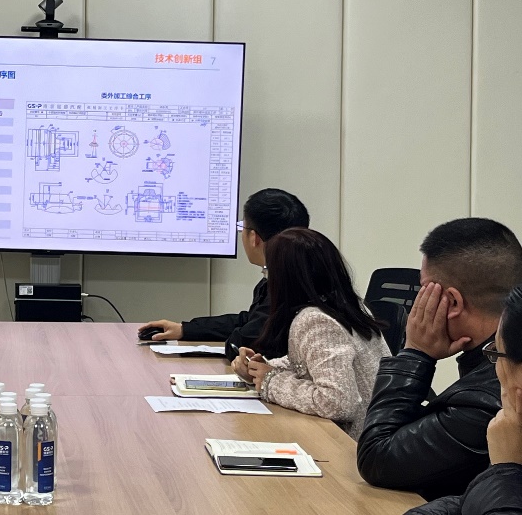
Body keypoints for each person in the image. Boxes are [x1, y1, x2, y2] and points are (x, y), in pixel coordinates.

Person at [357, 218, 522, 501]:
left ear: (452, 302)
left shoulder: (488, 400)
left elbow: (377, 458)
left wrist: (415, 353)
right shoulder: (494, 365)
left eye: (424, 289)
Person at [230, 228, 388, 439]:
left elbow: (338, 402)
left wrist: (271, 382)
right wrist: (261, 368)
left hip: (350, 445)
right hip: (376, 433)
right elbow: (311, 363)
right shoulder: (349, 305)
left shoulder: (315, 320)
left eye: (268, 271)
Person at [139, 188, 310, 359]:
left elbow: (244, 342)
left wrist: (234, 341)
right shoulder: (293, 274)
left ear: (254, 238)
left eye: (242, 228)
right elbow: (249, 321)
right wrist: (185, 329)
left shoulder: (287, 286)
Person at [406, 284, 522, 514]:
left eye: (496, 352)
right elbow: (467, 502)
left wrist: (415, 352)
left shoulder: (485, 404)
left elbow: (378, 458)